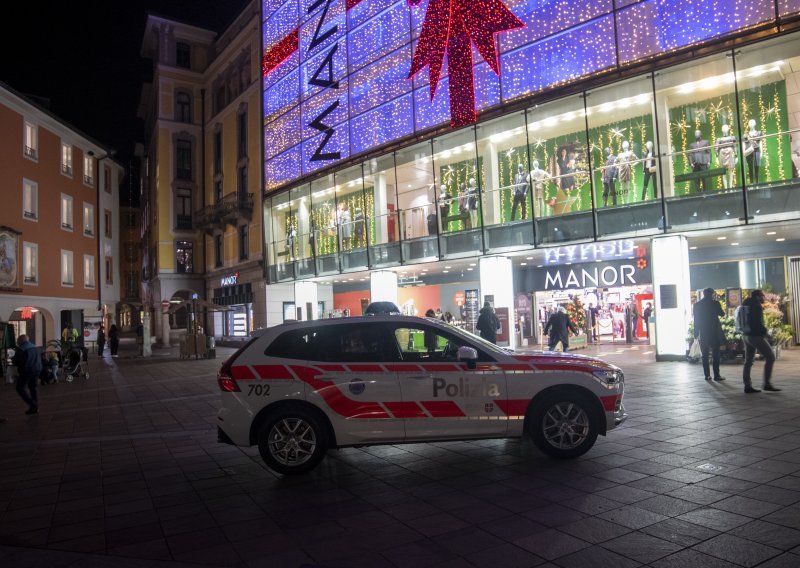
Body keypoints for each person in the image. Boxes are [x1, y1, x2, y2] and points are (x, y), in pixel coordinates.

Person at [741, 290, 779, 393]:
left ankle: (747, 386)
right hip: (755, 336)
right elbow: (757, 322)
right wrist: (765, 333)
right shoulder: (756, 305)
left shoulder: (746, 303)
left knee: (748, 361)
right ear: (758, 296)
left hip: (746, 335)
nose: (764, 298)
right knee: (770, 357)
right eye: (762, 296)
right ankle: (767, 384)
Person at [693, 288, 726, 382]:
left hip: (704, 332)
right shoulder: (715, 303)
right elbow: (722, 314)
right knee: (716, 354)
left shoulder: (697, 305)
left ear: (703, 294)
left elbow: (696, 320)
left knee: (705, 354)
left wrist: (696, 333)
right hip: (714, 331)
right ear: (712, 294)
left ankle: (707, 375)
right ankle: (717, 375)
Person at [12, 334, 41, 415]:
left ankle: (33, 404)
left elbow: (17, 361)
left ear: (20, 341)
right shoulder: (35, 347)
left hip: (27, 370)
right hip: (37, 369)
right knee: (33, 388)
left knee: (20, 388)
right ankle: (34, 408)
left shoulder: (21, 349)